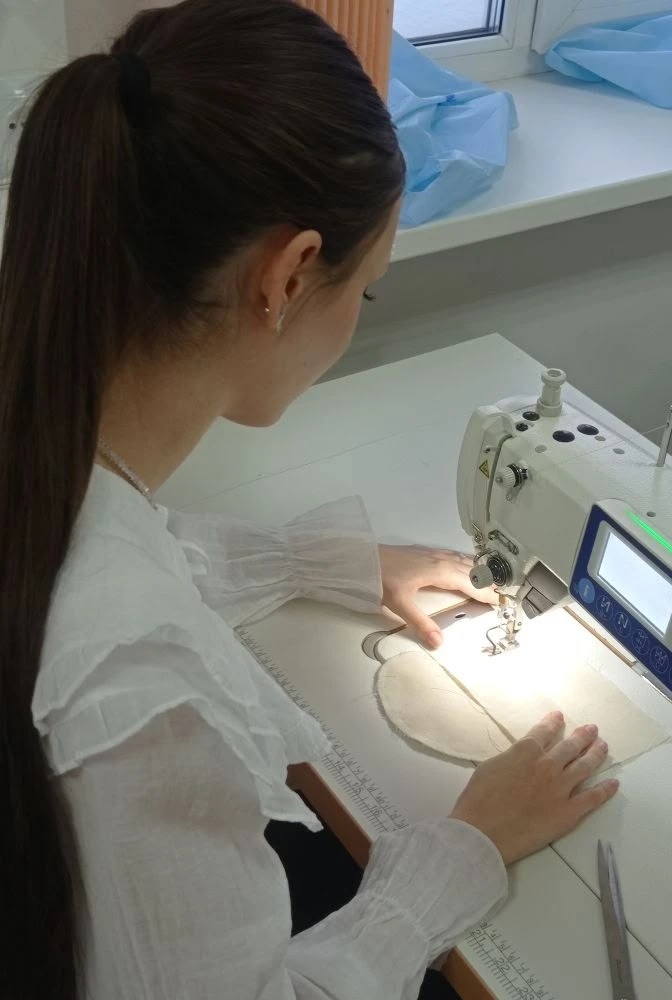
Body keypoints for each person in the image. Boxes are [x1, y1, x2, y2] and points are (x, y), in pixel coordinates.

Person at [0, 2, 619, 998]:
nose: (357, 314)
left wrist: (323, 562)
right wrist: (460, 850)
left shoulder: (44, 447)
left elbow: (119, 549)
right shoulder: (146, 694)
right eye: (364, 290)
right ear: (287, 277)